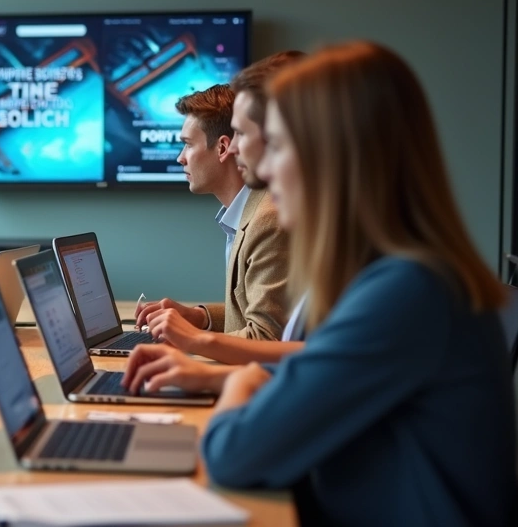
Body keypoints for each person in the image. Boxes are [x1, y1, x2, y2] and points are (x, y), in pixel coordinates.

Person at [200, 42, 515, 525]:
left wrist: (242, 378)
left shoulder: (406, 293)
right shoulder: (394, 276)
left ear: (333, 158)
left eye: (279, 146)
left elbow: (234, 452)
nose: (263, 168)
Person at [135, 83, 290, 353]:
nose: (180, 158)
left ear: (222, 148)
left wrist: (191, 339)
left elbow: (267, 339)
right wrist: (199, 317)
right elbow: (249, 314)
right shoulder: (246, 214)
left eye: (186, 145)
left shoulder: (267, 221)